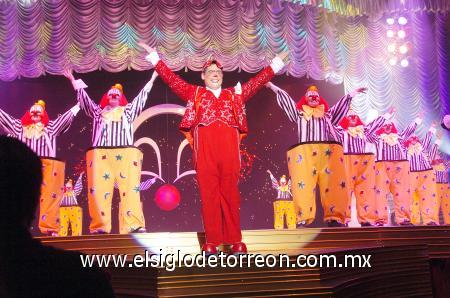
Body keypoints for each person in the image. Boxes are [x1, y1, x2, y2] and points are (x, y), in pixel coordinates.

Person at [139, 42, 287, 254]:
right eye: (210, 72)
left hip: (229, 150)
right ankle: (212, 241)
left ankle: (235, 241)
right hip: (205, 150)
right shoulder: (195, 93)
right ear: (203, 76)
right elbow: (172, 80)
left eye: (218, 72)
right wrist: (155, 57)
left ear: (222, 76)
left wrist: (278, 62)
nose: (215, 74)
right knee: (209, 196)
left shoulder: (234, 94)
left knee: (230, 195)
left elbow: (258, 82)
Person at [0, 136, 114, 297]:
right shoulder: (79, 275)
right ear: (35, 202)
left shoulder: (81, 273)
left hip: (72, 210)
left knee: (73, 225)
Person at [65, 70, 158, 234]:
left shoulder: (128, 111)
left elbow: (141, 97)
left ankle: (134, 225)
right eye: (110, 95)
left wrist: (153, 77)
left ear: (120, 98)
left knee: (130, 190)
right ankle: (100, 226)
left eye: (116, 95)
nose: (113, 96)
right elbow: (85, 99)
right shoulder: (97, 112)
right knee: (99, 192)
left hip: (126, 155)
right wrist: (73, 80)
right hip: (101, 155)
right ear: (106, 98)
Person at [266, 82, 367, 227]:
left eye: (316, 96)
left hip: (326, 154)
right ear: (306, 99)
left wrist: (353, 93)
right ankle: (303, 217)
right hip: (305, 155)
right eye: (310, 96)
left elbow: (339, 107)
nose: (313, 98)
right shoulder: (299, 114)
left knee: (332, 185)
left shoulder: (327, 115)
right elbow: (286, 99)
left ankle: (334, 217)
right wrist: (272, 86)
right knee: (303, 186)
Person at [0, 100, 79, 236]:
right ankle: (16, 226)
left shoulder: (51, 127)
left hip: (49, 164)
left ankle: (49, 227)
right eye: (33, 112)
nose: (35, 114)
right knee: (20, 194)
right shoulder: (19, 126)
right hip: (25, 164)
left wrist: (78, 106)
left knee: (50, 196)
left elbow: (65, 118)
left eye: (38, 112)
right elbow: (3, 116)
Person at [336, 108, 394, 226]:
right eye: (350, 117)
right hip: (347, 161)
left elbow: (375, 124)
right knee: (345, 191)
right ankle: (343, 219)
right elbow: (331, 124)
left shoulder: (364, 131)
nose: (353, 118)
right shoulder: (341, 131)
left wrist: (387, 114)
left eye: (355, 117)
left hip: (364, 162)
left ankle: (366, 219)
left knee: (366, 192)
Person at [372, 116, 422, 226]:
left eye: (390, 126)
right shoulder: (377, 138)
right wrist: (384, 117)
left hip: (400, 167)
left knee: (402, 193)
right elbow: (369, 131)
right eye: (385, 126)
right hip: (382, 166)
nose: (388, 127)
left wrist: (417, 120)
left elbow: (409, 130)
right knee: (380, 193)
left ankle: (403, 218)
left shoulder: (399, 137)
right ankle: (380, 219)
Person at [406, 124, 439, 225]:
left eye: (415, 139)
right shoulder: (405, 150)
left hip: (426, 173)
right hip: (410, 174)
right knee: (408, 198)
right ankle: (411, 220)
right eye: (412, 139)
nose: (414, 141)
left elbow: (428, 137)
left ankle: (429, 220)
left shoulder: (422, 148)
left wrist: (432, 127)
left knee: (428, 197)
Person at [429, 133, 449, 225]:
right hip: (436, 184)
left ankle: (448, 221)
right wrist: (438, 140)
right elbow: (433, 150)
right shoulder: (430, 160)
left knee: (447, 204)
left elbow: (447, 165)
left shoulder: (442, 163)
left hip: (446, 185)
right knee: (435, 204)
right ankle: (435, 222)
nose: (438, 154)